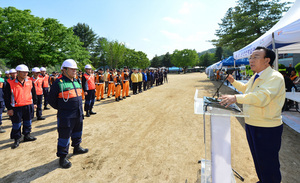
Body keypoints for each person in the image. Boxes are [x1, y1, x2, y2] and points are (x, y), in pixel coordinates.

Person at [219, 47, 285, 183]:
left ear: (267, 60)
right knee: (258, 159)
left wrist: (236, 98)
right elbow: (245, 89)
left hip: (267, 128)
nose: (251, 60)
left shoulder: (274, 77)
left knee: (269, 163)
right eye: (251, 57)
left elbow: (262, 97)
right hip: (251, 124)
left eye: (255, 57)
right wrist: (232, 81)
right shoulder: (256, 76)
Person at [48, 59, 88, 169]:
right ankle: (62, 157)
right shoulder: (58, 83)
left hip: (78, 113)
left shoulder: (76, 81)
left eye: (75, 69)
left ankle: (77, 147)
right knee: (64, 136)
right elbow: (51, 100)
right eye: (72, 69)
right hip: (66, 115)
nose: (75, 71)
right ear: (64, 70)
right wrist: (63, 108)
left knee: (77, 131)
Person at [4, 64, 38, 149]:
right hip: (16, 107)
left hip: (28, 105)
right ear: (18, 72)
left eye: (26, 72)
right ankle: (17, 139)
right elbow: (7, 97)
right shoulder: (9, 83)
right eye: (23, 72)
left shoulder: (30, 82)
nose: (25, 74)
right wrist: (9, 108)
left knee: (28, 122)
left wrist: (35, 103)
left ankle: (27, 135)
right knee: (16, 124)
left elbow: (34, 93)